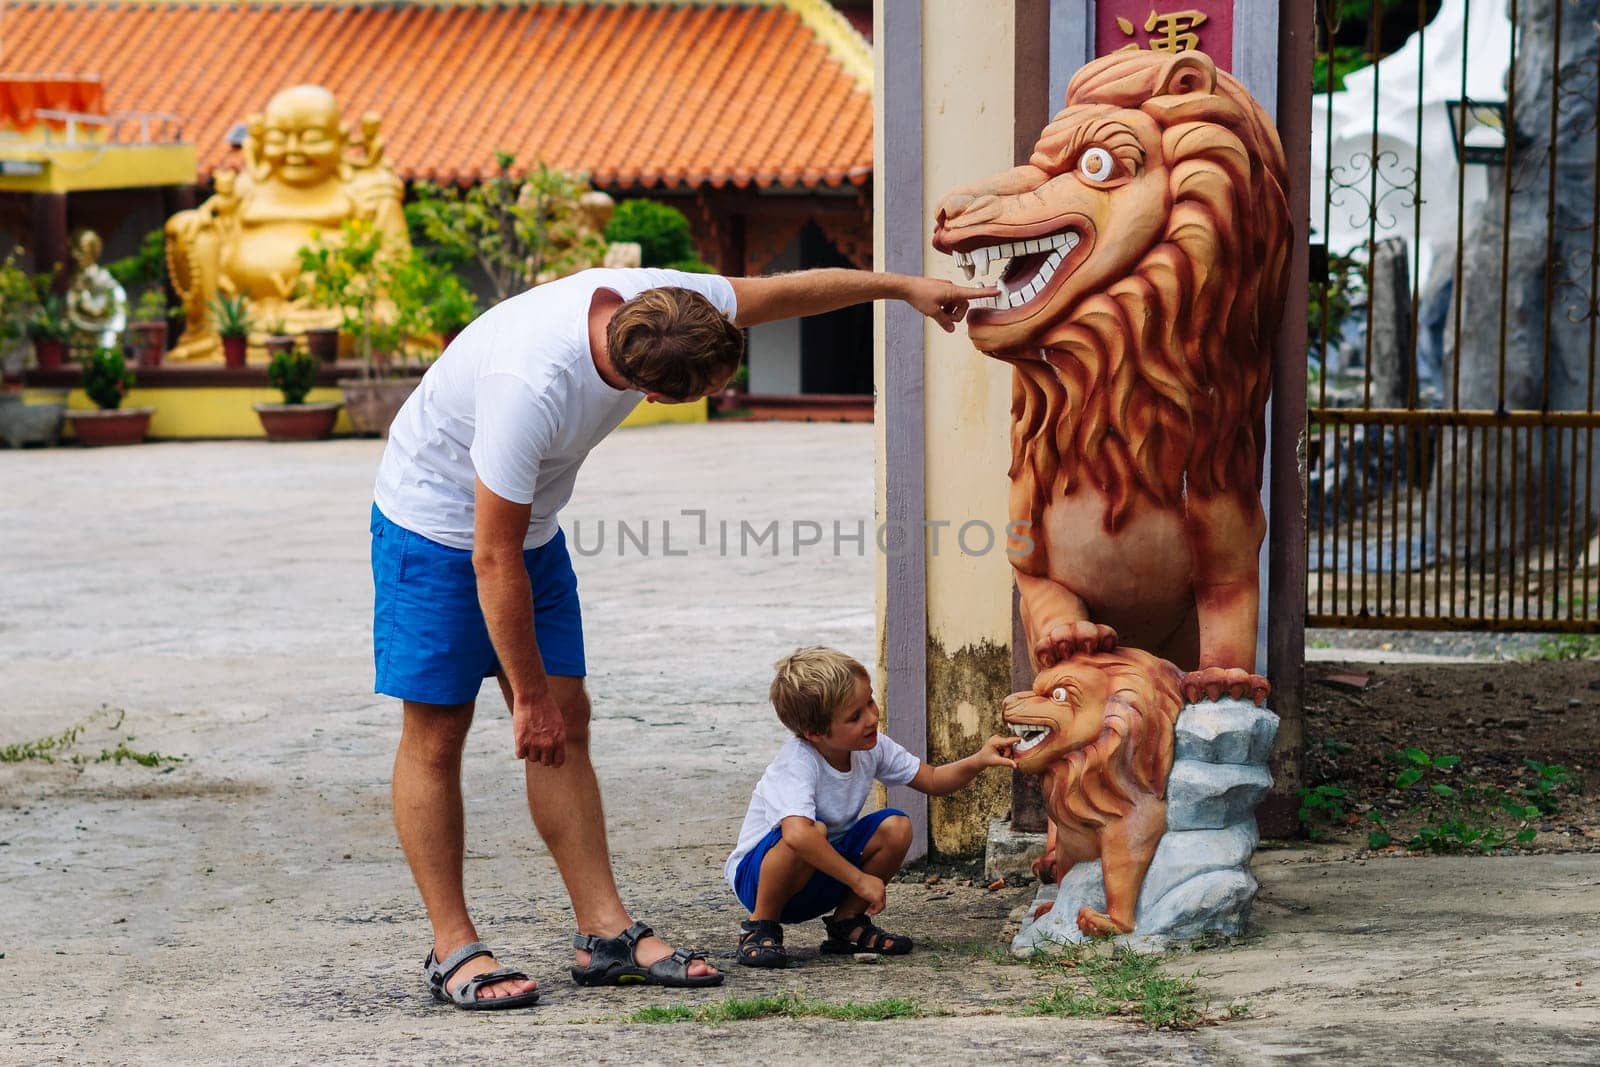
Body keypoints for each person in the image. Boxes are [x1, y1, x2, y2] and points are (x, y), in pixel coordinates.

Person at [371, 264, 996, 1010]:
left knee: (568, 722)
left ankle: (603, 934)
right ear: (658, 395)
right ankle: (454, 946)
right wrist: (525, 694)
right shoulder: (528, 386)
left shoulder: (664, 299)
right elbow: (489, 555)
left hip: (527, 533)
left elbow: (786, 292)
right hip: (432, 523)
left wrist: (902, 289)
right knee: (440, 730)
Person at [727, 647, 1018, 968]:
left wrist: (979, 760)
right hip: (758, 881)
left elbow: (932, 779)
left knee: (897, 826)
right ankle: (760, 927)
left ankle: (847, 924)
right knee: (812, 831)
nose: (872, 717)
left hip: (819, 875)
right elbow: (797, 837)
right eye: (855, 716)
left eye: (870, 701)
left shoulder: (871, 746)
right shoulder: (798, 763)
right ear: (814, 734)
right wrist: (858, 879)